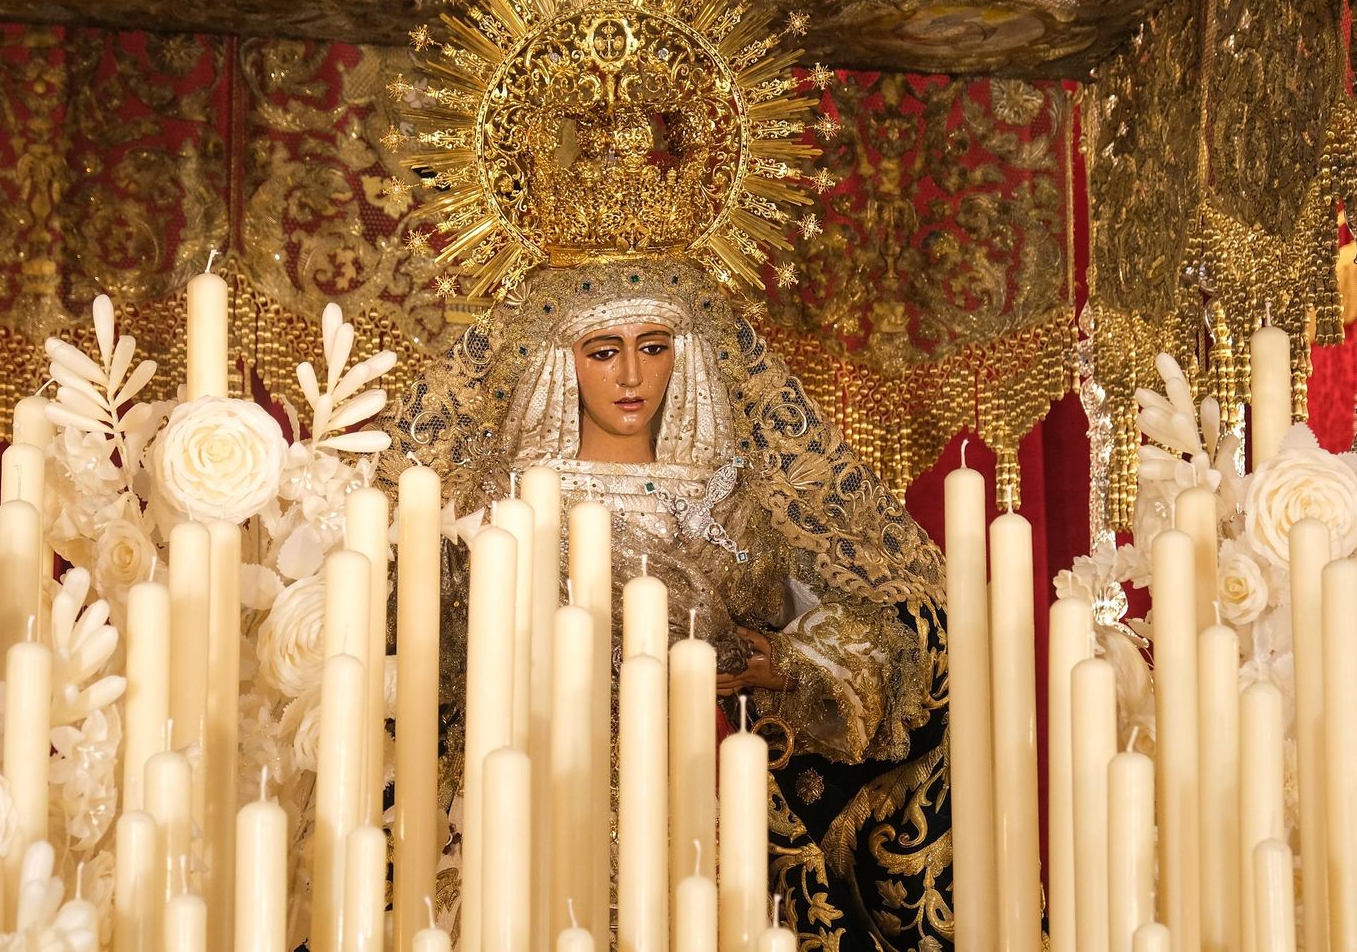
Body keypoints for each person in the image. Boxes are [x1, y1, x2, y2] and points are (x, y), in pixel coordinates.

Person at [383, 257, 953, 950]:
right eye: (603, 351)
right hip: (535, 798)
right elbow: (426, 653)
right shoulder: (496, 508)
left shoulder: (738, 506)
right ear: (560, 362)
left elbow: (880, 629)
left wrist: (785, 661)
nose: (631, 376)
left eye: (653, 346)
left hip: (706, 798)